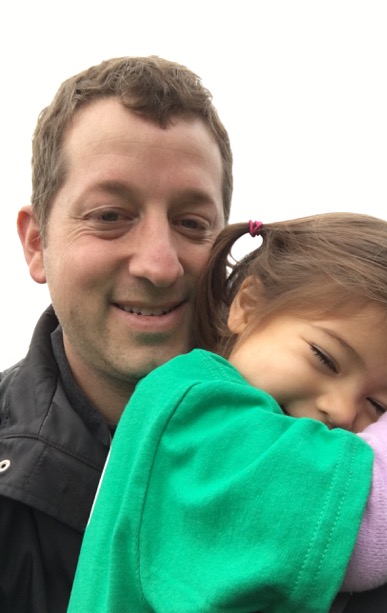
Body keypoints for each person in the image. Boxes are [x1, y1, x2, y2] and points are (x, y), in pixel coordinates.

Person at [68, 213, 387, 613]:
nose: (341, 411)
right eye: (324, 358)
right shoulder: (194, 413)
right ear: (248, 306)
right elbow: (366, 529)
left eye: (379, 406)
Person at [0, 55, 232, 613]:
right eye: (109, 215)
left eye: (193, 224)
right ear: (37, 244)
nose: (159, 264)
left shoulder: (329, 435)